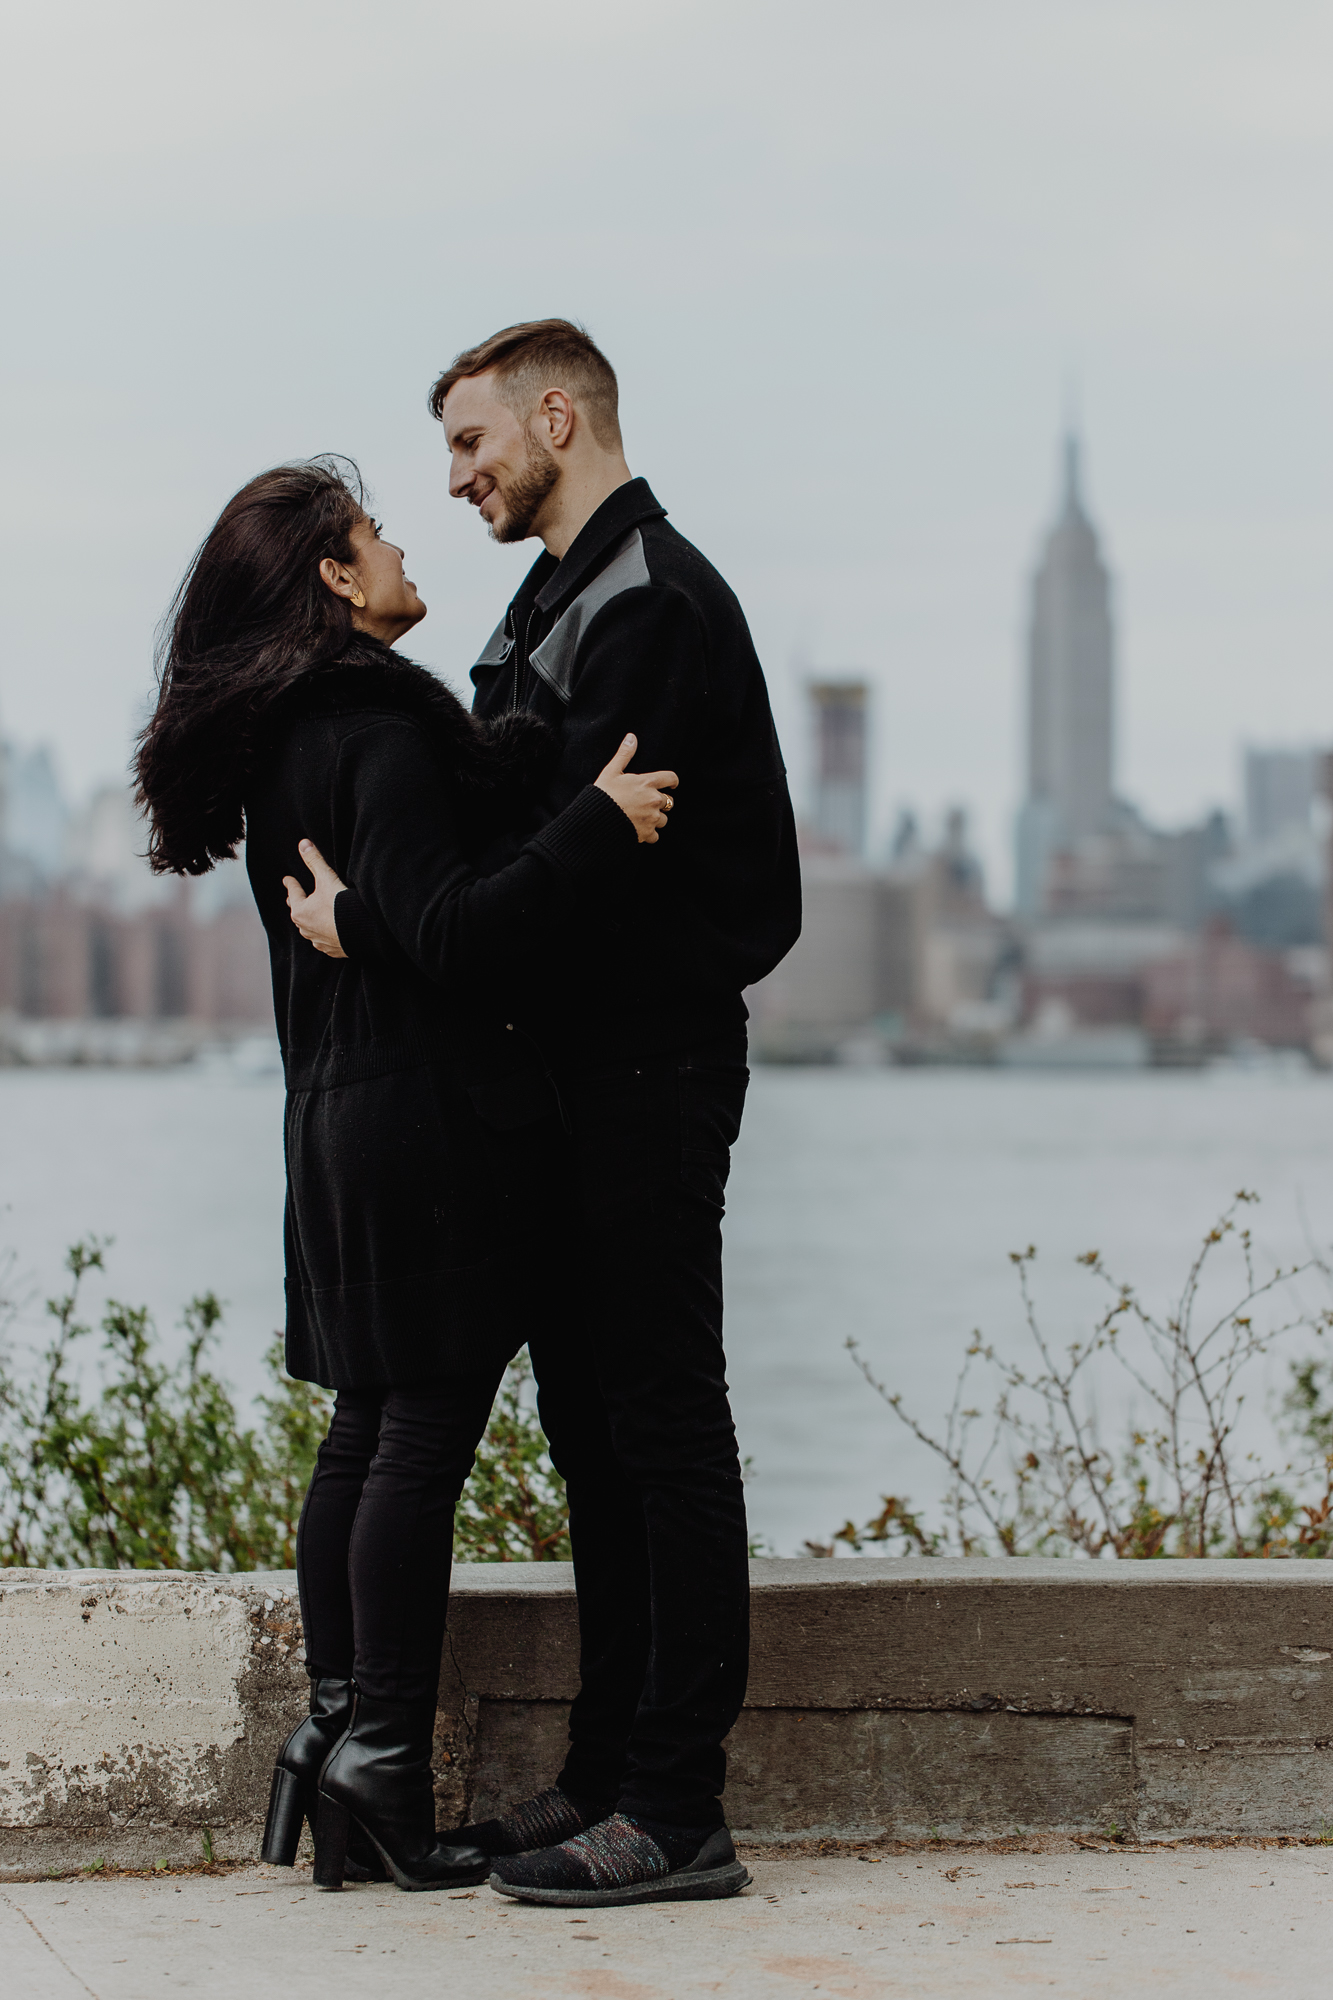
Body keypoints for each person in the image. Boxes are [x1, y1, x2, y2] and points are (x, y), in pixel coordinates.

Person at [288, 322, 801, 1908]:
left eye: (468, 445)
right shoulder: (555, 602)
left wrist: (385, 925)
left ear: (555, 419)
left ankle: (674, 1807)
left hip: (646, 1075)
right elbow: (519, 829)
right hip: (567, 1083)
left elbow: (593, 872)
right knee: (592, 1436)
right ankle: (601, 1777)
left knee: (658, 1425)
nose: (454, 482)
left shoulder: (650, 608)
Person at [133, 455, 678, 1894]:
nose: (395, 547)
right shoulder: (375, 729)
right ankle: (378, 1757)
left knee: (368, 1432)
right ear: (331, 576)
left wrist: (375, 915)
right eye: (371, 534)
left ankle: (333, 1733)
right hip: (429, 1126)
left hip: (331, 1123)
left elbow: (385, 917)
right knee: (418, 1440)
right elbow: (458, 927)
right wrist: (590, 826)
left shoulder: (279, 745)